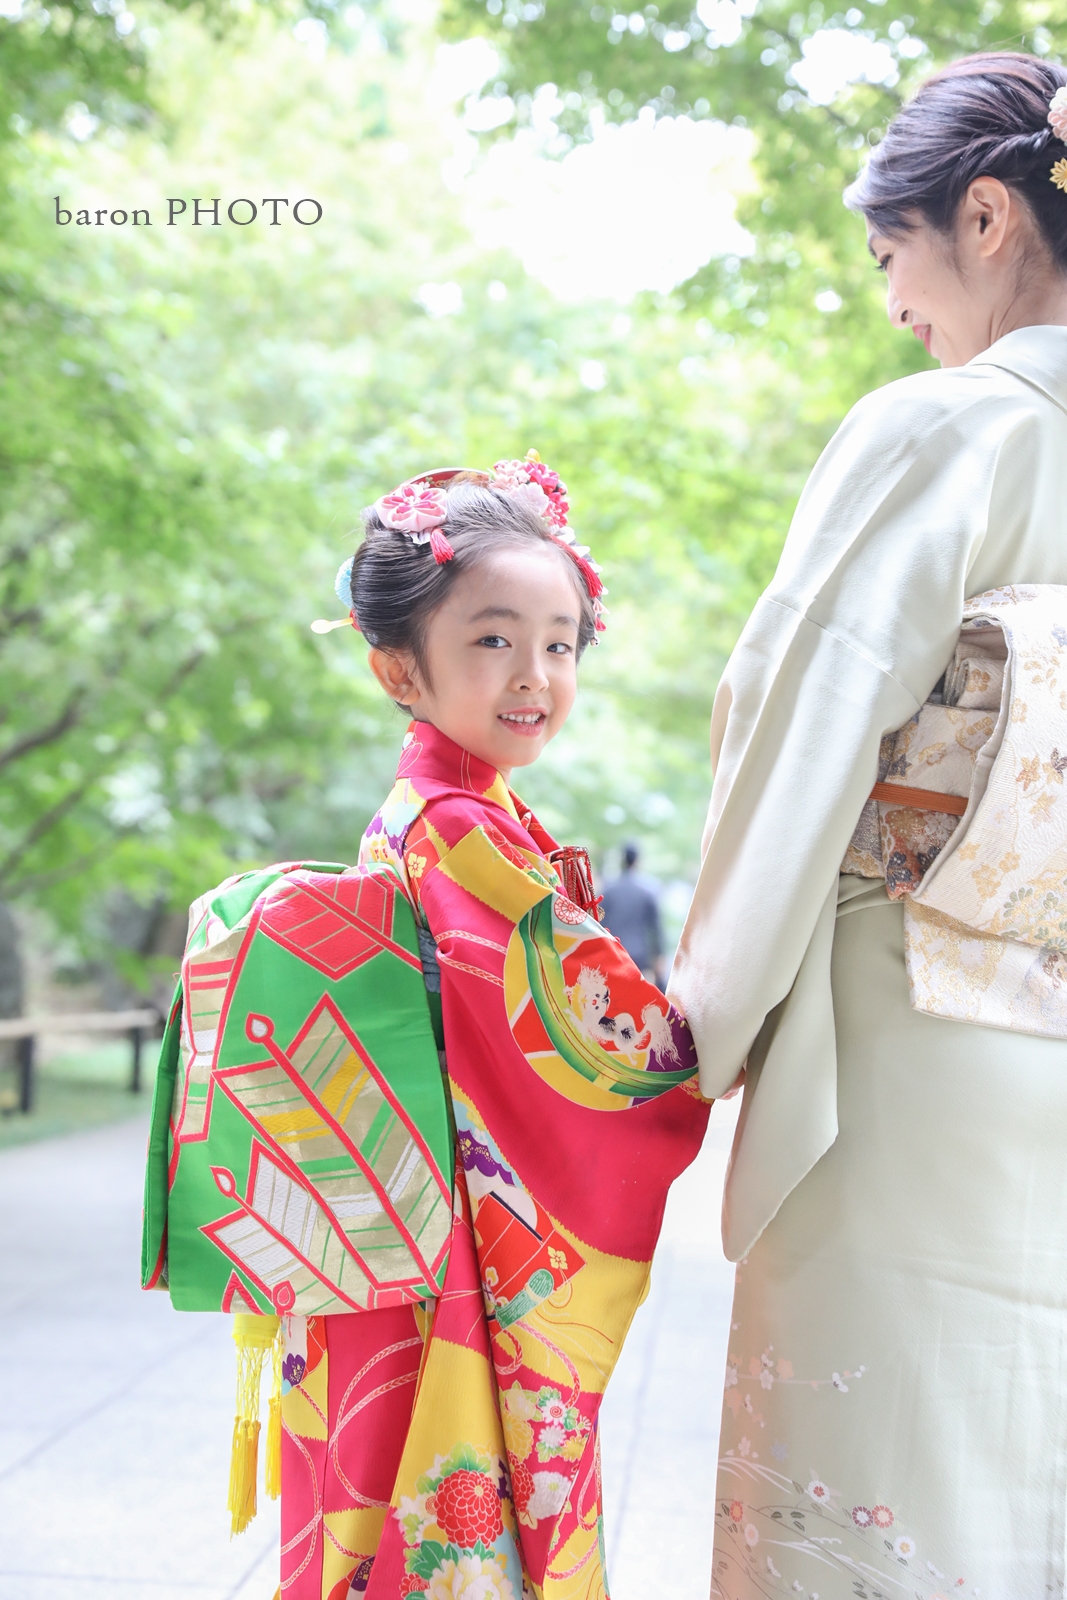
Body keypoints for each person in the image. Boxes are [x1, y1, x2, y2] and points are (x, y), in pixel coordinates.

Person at [668, 53, 1067, 1597]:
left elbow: (802, 719)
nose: (893, 303)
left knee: (879, 1503)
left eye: (890, 255)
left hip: (908, 1041)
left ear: (983, 216)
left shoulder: (947, 430)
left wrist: (691, 1031)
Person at [278, 457, 710, 1598]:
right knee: (453, 1527)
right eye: (492, 640)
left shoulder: (455, 809)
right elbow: (598, 1040)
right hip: (440, 1258)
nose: (536, 675)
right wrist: (711, 1033)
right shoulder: (460, 826)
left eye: (561, 644)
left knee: (402, 1524)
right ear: (395, 669)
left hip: (401, 1242)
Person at [601, 842, 665, 985]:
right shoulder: (647, 890)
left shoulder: (608, 890)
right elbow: (655, 927)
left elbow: (600, 923)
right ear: (637, 860)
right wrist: (659, 955)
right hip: (641, 956)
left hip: (615, 953)